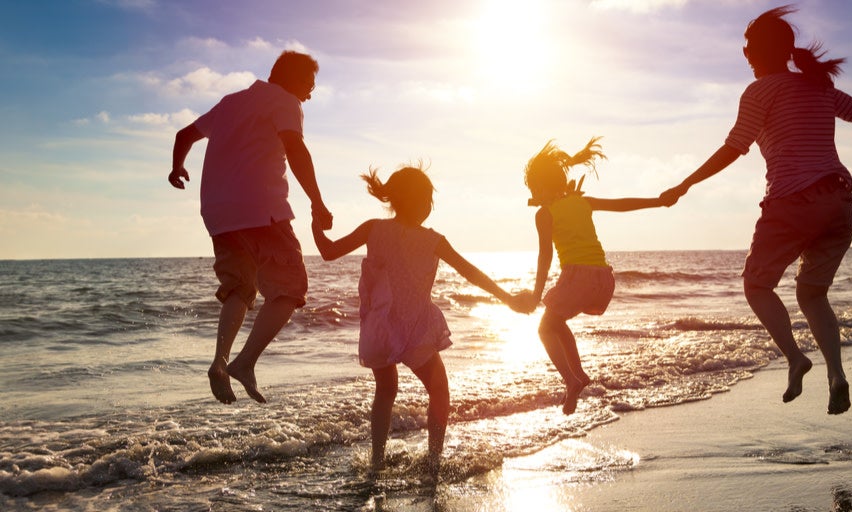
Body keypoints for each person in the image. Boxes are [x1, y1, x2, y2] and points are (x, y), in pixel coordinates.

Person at [660, 5, 852, 415]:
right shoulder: (816, 86)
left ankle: (795, 358)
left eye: (750, 46)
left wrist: (686, 183)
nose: (745, 52)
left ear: (762, 52)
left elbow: (734, 147)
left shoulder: (760, 91)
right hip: (840, 204)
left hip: (794, 201)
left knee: (756, 285)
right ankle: (836, 375)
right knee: (812, 293)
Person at [312, 165, 533, 477]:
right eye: (428, 199)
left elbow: (328, 251)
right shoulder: (433, 240)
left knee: (386, 390)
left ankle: (376, 462)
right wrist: (507, 298)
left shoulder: (372, 228)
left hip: (380, 329)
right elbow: (470, 272)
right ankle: (433, 460)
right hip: (415, 328)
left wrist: (315, 224)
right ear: (419, 202)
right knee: (439, 388)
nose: (430, 205)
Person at [169, 50, 333, 405]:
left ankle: (219, 362)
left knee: (240, 288)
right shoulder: (285, 101)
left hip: (219, 215)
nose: (310, 92)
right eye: (308, 84)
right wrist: (317, 202)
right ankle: (244, 363)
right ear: (290, 78)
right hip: (262, 210)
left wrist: (176, 168)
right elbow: (296, 148)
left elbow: (184, 135)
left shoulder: (231, 102)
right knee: (291, 288)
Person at [524, 137, 672, 415]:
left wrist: (535, 294)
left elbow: (544, 258)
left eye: (534, 188)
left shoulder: (544, 214)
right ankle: (578, 376)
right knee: (556, 322)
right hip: (603, 280)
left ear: (543, 187)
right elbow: (622, 204)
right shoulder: (583, 202)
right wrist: (658, 201)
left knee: (545, 329)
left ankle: (571, 379)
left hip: (577, 278)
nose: (533, 194)